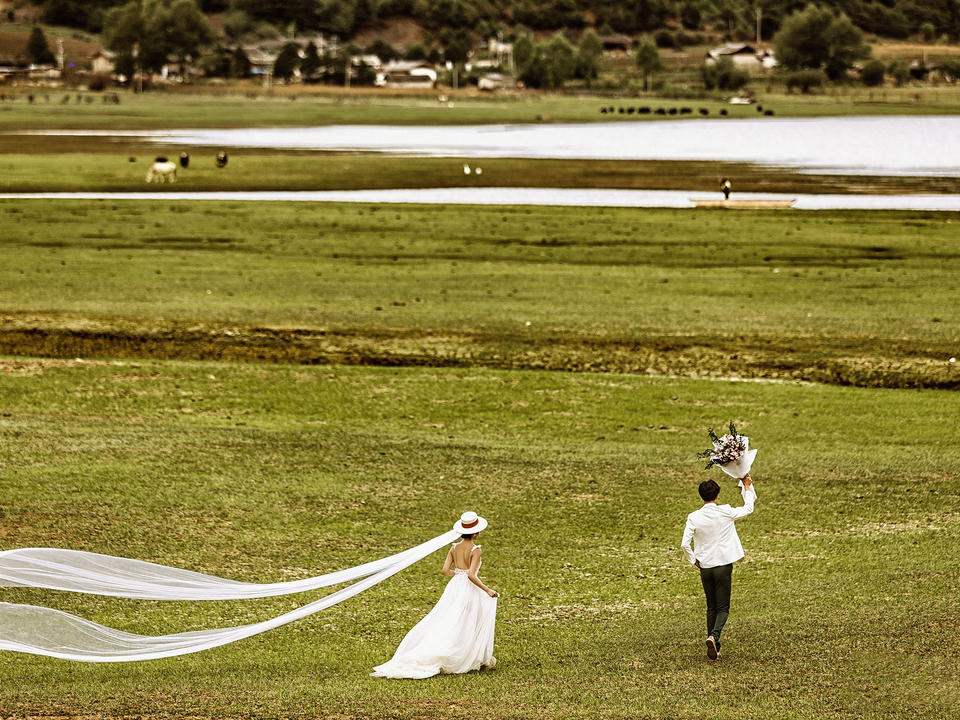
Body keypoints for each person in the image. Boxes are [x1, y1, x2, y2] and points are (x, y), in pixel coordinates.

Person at [371, 511, 498, 678]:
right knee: (468, 619)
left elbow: (445, 571)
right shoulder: (476, 550)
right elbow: (471, 575)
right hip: (468, 587)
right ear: (475, 533)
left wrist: (458, 574)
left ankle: (462, 651)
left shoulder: (454, 548)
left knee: (452, 617)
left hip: (455, 586)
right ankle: (467, 654)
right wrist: (487, 590)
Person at [681, 474, 756, 660]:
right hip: (723, 565)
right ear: (718, 494)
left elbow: (684, 544)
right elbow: (748, 508)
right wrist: (747, 486)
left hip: (705, 566)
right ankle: (714, 637)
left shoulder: (693, 517)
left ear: (701, 496)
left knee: (711, 607)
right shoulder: (725, 511)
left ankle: (715, 644)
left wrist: (693, 560)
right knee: (723, 607)